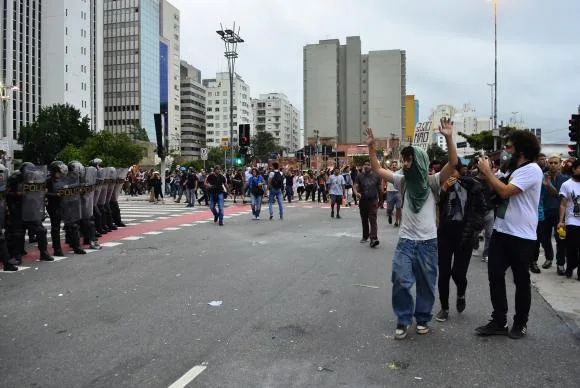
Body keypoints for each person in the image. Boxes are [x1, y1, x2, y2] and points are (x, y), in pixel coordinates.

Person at [366, 118, 458, 339]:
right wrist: (371, 146)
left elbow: (453, 164)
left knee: (426, 284)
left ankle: (423, 318)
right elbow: (378, 168)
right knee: (400, 280)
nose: (405, 164)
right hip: (406, 242)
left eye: (409, 161)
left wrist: (448, 137)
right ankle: (403, 319)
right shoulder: (402, 182)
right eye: (404, 161)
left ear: (419, 161)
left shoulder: (434, 182)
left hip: (428, 243)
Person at [475, 130, 542, 339]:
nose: (506, 150)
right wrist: (487, 173)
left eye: (510, 146)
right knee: (495, 275)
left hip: (522, 236)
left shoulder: (532, 170)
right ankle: (499, 320)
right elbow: (495, 189)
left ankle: (520, 322)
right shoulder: (513, 169)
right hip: (501, 231)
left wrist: (488, 173)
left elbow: (505, 192)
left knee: (521, 281)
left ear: (521, 149)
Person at [435, 160, 487, 322]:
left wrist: (474, 228)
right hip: (444, 234)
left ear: (460, 171)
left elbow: (481, 209)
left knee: (458, 273)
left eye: (453, 171)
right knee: (443, 273)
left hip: (465, 235)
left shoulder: (473, 186)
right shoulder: (442, 186)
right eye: (447, 172)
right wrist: (443, 190)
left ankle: (461, 293)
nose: (450, 175)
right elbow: (434, 205)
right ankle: (444, 308)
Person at [558, 159, 580, 279]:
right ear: (574, 169)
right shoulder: (567, 184)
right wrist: (561, 221)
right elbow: (563, 204)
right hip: (572, 221)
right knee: (572, 248)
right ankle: (571, 266)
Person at [353, 161, 381, 247]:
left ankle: (373, 238)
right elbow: (355, 186)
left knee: (373, 219)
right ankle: (365, 236)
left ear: (371, 166)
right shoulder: (359, 176)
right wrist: (356, 193)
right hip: (363, 201)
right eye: (365, 164)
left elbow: (380, 188)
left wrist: (381, 200)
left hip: (373, 201)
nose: (366, 166)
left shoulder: (377, 176)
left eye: (368, 165)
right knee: (364, 219)